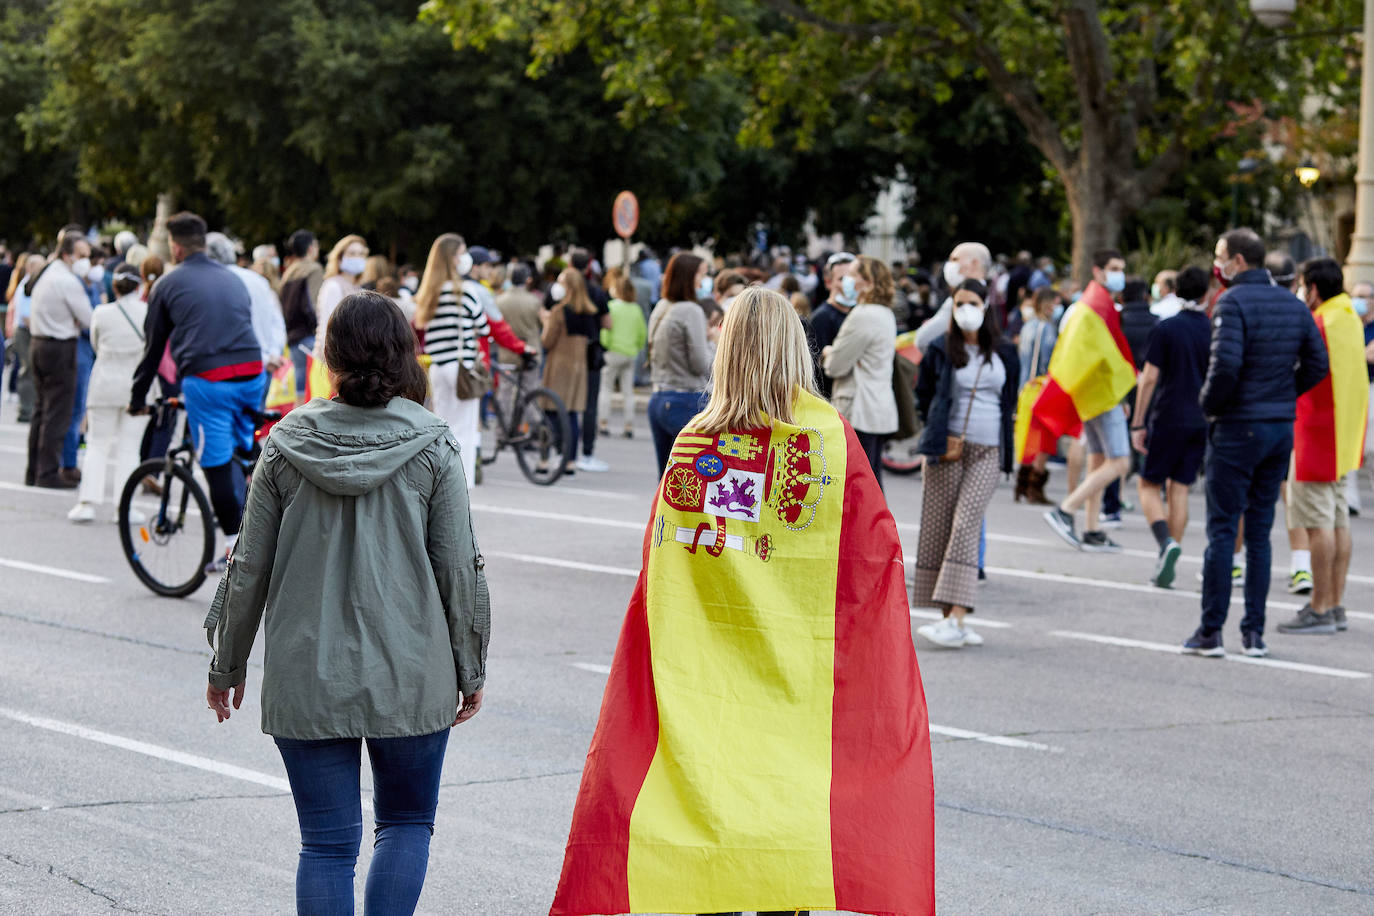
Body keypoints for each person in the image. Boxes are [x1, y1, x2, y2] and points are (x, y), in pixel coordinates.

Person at [549, 287, 934, 916]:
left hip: (706, 678)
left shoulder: (696, 444)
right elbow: (873, 553)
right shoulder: (828, 443)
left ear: (727, 352)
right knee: (784, 826)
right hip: (797, 676)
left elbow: (662, 563)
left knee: (712, 824)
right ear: (795, 350)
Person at [205, 290, 488, 916]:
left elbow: (247, 566)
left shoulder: (285, 443)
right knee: (406, 824)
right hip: (412, 673)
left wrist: (227, 665)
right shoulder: (434, 444)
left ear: (329, 359)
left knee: (326, 846)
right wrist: (470, 670)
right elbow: (458, 570)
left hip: (308, 670)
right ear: (404, 354)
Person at [1183, 229, 1328, 658]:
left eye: (1221, 257)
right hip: (1278, 426)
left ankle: (1211, 631)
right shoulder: (1293, 304)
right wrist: (1282, 395)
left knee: (1223, 531)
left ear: (1239, 261)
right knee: (1260, 533)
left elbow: (1225, 365)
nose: (1217, 264)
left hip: (1238, 425)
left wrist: (1210, 406)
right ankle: (1254, 633)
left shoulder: (1232, 302)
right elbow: (1318, 364)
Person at [128, 212, 266, 569]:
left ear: (175, 247)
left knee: (214, 462)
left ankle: (234, 549)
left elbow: (153, 351)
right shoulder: (233, 278)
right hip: (253, 373)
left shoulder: (167, 285)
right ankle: (259, 487)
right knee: (244, 450)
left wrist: (137, 399)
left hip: (208, 381)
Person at [912, 280, 1018, 648]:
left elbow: (1010, 398)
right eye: (959, 303)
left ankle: (955, 619)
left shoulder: (1004, 351)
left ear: (986, 305)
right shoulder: (941, 348)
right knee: (940, 527)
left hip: (988, 449)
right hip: (947, 448)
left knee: (966, 522)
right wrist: (934, 427)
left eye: (972, 302)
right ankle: (951, 619)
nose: (965, 310)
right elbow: (923, 394)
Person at [1275, 258, 1369, 636]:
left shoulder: (1319, 322)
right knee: (1338, 521)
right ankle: (1335, 604)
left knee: (1318, 526)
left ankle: (1319, 607)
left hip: (1316, 433)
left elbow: (1296, 370)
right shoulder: (1348, 317)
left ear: (1312, 288)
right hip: (1343, 435)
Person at [1041, 249, 1137, 553]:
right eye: (1114, 267)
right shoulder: (1097, 306)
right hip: (1103, 394)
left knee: (1098, 459)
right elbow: (1107, 354)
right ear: (1097, 271)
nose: (1119, 273)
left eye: (1121, 268)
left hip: (1094, 395)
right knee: (1120, 461)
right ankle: (1066, 510)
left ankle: (1092, 529)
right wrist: (1121, 392)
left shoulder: (1093, 302)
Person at [1131, 266, 1211, 588]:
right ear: (1206, 294)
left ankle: (1166, 543)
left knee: (1149, 484)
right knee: (1180, 488)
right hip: (1200, 418)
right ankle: (1169, 554)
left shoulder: (1166, 328)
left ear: (1175, 292)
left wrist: (1138, 421)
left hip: (1169, 414)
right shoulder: (1212, 329)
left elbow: (1149, 378)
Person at [68, 264, 149, 522]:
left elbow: (95, 343)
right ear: (138, 285)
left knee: (97, 445)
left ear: (115, 286)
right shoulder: (147, 312)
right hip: (137, 386)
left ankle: (87, 502)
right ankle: (124, 507)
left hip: (104, 383)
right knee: (129, 449)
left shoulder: (101, 313)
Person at [415, 233, 490, 489]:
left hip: (438, 367)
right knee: (465, 427)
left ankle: (441, 481)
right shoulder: (465, 291)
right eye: (462, 253)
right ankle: (462, 482)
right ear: (453, 259)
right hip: (461, 368)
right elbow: (483, 326)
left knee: (444, 425)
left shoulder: (429, 293)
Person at [822, 255, 898, 487]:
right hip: (878, 409)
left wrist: (828, 352)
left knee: (857, 485)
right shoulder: (885, 313)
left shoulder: (862, 315)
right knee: (871, 483)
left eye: (853, 274)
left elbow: (835, 365)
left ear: (868, 282)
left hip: (858, 408)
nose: (847, 280)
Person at [25, 233, 93, 488]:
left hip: (38, 343)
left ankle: (34, 470)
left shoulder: (46, 272)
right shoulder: (67, 280)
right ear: (67, 254)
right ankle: (48, 473)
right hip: (59, 346)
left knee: (41, 410)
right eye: (82, 255)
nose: (86, 261)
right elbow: (88, 319)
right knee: (57, 413)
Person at [646, 252, 712, 474]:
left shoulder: (661, 306)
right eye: (701, 274)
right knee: (691, 479)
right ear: (689, 276)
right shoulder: (691, 311)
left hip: (659, 397)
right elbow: (700, 363)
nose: (703, 280)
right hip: (686, 399)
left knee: (665, 480)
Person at [207, 232, 287, 378]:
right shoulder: (258, 280)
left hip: (235, 367)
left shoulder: (215, 283)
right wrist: (273, 354)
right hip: (263, 365)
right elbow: (277, 322)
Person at [542, 269, 599, 473]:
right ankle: (570, 461)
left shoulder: (559, 311)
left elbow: (547, 341)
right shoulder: (589, 312)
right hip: (578, 368)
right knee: (572, 414)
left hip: (558, 366)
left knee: (550, 411)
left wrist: (545, 320)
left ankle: (548, 458)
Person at [1014, 286, 1061, 504]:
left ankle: (1022, 484)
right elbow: (1047, 360)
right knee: (1043, 441)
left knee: (1028, 438)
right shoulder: (1046, 328)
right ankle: (1035, 485)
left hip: (1026, 387)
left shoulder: (1028, 326)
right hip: (1040, 387)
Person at [310, 235, 368, 397]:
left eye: (361, 254)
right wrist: (329, 363)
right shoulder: (333, 286)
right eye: (352, 253)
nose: (357, 258)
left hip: (352, 362)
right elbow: (327, 327)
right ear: (340, 257)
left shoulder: (358, 288)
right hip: (333, 364)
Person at [914, 242, 992, 354]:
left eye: (955, 259)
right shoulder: (988, 296)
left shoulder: (960, 300)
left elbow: (922, 340)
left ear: (974, 263)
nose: (949, 265)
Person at [598, 269, 647, 439]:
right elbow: (642, 333)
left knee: (606, 388)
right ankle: (628, 425)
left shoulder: (611, 307)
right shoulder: (636, 309)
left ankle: (603, 423)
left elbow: (605, 331)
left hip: (612, 352)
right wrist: (636, 347)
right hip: (630, 353)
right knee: (628, 391)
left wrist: (606, 345)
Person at [804, 251, 857, 396]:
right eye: (842, 279)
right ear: (828, 282)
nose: (849, 284)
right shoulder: (821, 318)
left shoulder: (858, 313)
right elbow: (817, 369)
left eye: (852, 278)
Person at [6, 252, 44, 423]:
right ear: (30, 267)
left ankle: (29, 407)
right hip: (24, 331)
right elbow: (26, 316)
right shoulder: (26, 286)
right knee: (27, 368)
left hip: (28, 330)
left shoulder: (34, 284)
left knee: (31, 369)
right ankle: (26, 410)